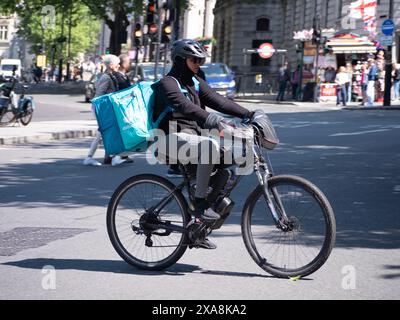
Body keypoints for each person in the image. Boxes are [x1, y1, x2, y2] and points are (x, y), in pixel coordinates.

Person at [152, 39, 255, 249]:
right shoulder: (168, 83)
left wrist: (249, 114)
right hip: (167, 140)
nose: (199, 63)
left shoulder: (196, 81)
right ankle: (199, 205)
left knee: (229, 167)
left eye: (201, 60)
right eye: (195, 59)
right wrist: (214, 120)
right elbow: (185, 106)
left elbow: (219, 100)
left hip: (193, 138)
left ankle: (198, 226)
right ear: (181, 60)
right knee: (210, 147)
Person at [83, 54, 127, 167]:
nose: (119, 65)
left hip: (106, 110)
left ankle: (112, 157)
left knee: (103, 133)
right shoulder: (106, 77)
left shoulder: (111, 76)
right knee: (103, 133)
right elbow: (98, 96)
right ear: (111, 65)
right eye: (117, 63)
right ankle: (112, 157)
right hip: (103, 110)